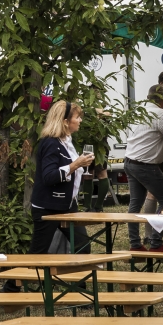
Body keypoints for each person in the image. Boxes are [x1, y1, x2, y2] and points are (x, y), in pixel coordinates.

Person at [30, 100, 94, 254]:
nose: (80, 120)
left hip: (67, 205)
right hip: (48, 207)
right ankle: (18, 272)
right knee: (38, 253)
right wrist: (76, 164)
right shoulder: (50, 143)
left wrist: (79, 166)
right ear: (65, 121)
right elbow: (49, 177)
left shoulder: (66, 141)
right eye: (77, 117)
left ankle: (74, 271)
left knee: (83, 246)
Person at [124, 86, 163, 252]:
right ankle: (156, 242)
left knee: (135, 204)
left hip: (130, 161)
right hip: (146, 165)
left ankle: (135, 243)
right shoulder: (160, 114)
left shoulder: (138, 111)